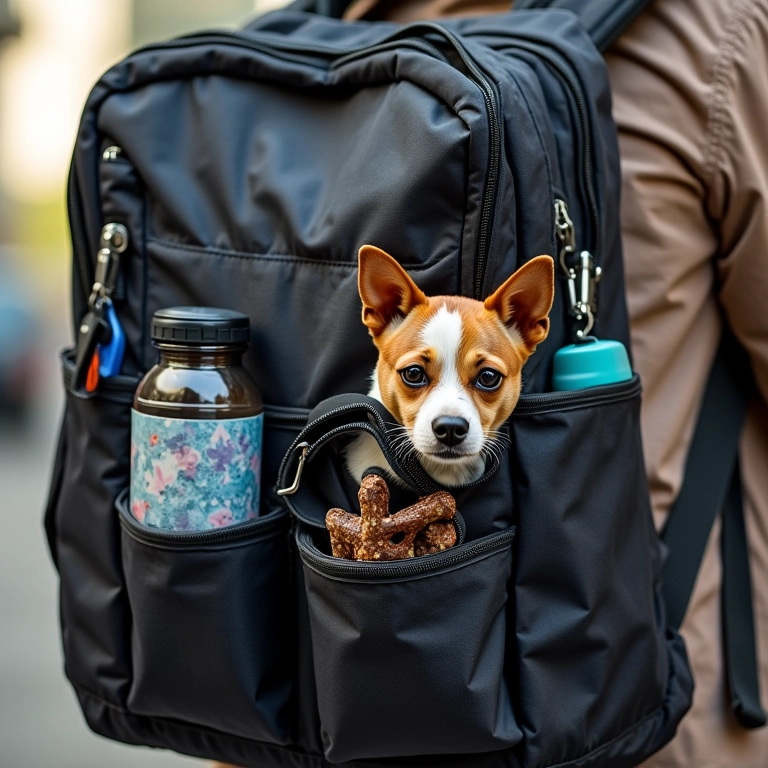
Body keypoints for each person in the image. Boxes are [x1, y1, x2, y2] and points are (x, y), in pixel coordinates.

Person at [217, 0, 768, 765]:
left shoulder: (283, 41)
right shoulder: (712, 35)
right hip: (610, 691)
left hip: (289, 699)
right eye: (419, 378)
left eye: (480, 382)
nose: (449, 409)